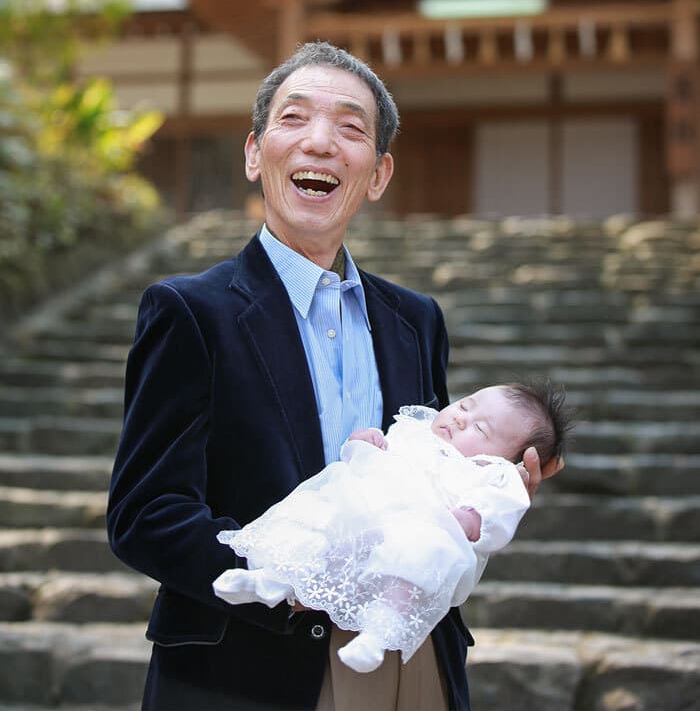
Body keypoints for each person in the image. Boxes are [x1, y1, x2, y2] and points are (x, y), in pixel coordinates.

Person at [107, 41, 562, 711]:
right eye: (294, 120)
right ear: (254, 154)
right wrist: (275, 578)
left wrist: (487, 492)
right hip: (244, 663)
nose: (320, 143)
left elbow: (432, 468)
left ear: (378, 174)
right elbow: (145, 514)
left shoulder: (416, 319)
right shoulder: (190, 313)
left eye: (350, 128)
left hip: (409, 660)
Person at [212, 382, 571, 674]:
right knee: (318, 514)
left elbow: (500, 511)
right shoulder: (414, 431)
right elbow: (362, 463)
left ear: (504, 457)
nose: (462, 419)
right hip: (359, 510)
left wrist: (472, 519)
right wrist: (362, 444)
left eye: (480, 427)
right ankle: (272, 578)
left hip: (423, 526)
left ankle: (379, 631)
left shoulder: (492, 474)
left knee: (420, 551)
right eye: (465, 405)